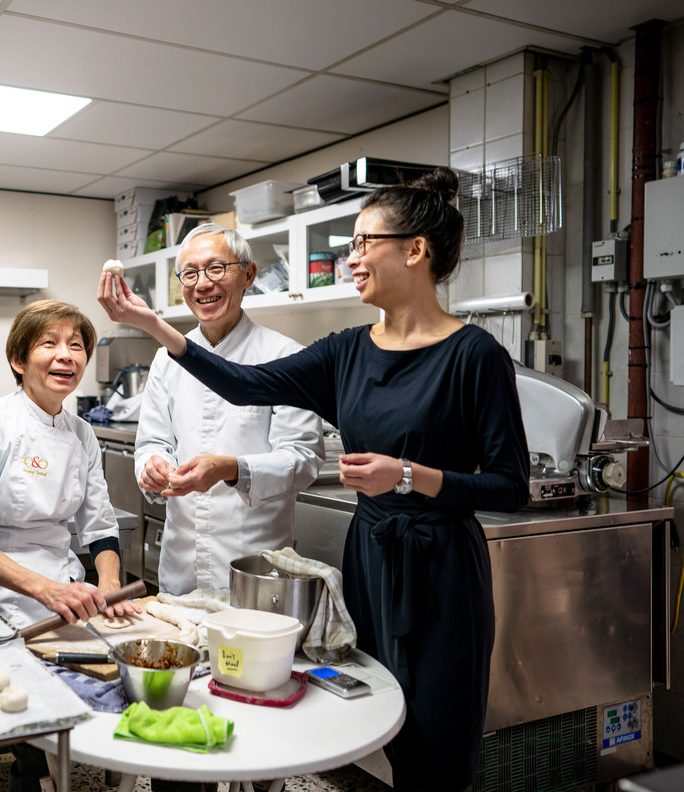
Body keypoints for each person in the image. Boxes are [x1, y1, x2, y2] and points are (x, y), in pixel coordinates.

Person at [99, 167, 530, 792]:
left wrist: (409, 475)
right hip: (372, 557)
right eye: (350, 244)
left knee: (437, 749)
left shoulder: (475, 356)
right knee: (371, 715)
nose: (351, 257)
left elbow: (509, 486)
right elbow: (242, 383)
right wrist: (152, 327)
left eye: (362, 242)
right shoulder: (347, 350)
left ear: (415, 250)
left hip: (440, 571)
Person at [0, 300, 136, 792]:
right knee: (41, 678)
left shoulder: (82, 433)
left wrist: (109, 587)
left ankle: (104, 747)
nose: (65, 356)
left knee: (133, 660)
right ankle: (34, 770)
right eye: (49, 344)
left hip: (61, 579)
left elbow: (99, 525)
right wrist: (48, 592)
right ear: (19, 359)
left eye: (76, 346)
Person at [134, 223, 323, 595]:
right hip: (181, 564)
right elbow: (151, 442)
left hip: (254, 563)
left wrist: (232, 469)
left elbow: (303, 459)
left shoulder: (286, 357)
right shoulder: (167, 358)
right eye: (190, 273)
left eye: (216, 268)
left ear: (248, 275)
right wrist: (152, 467)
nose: (202, 283)